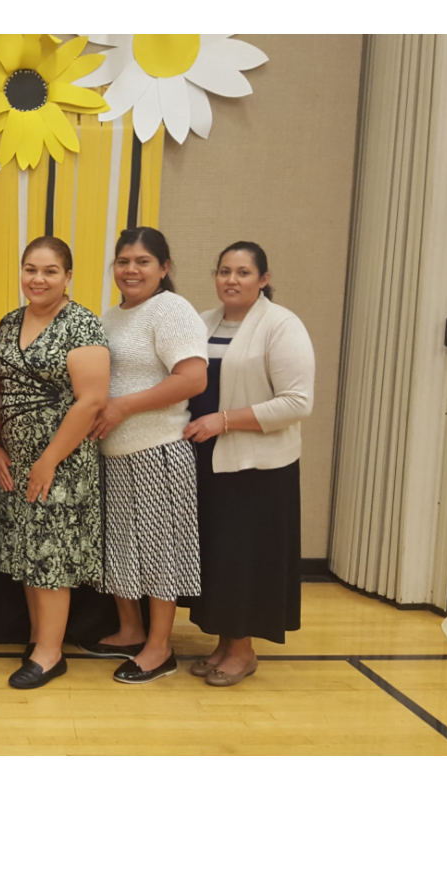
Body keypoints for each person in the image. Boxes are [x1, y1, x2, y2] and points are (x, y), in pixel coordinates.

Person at [183, 241, 316, 686]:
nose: (231, 280)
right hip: (208, 460)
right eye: (224, 271)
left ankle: (242, 651)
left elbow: (297, 403)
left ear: (264, 279)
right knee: (220, 557)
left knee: (244, 559)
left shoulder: (281, 325)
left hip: (258, 468)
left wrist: (224, 421)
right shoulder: (202, 322)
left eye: (242, 272)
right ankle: (223, 643)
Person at [84, 226, 208, 685]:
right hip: (114, 453)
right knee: (121, 547)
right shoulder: (109, 317)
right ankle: (130, 629)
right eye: (123, 261)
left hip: (157, 451)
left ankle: (160, 648)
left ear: (164, 268)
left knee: (160, 552)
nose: (131, 270)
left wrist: (123, 406)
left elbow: (193, 379)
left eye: (142, 262)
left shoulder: (172, 310)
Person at [0, 237, 109, 689]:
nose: (37, 279)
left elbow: (91, 400)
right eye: (30, 269)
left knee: (50, 555)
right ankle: (42, 636)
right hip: (15, 458)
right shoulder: (9, 322)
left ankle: (50, 654)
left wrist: (47, 461)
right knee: (26, 549)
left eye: (50, 271)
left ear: (68, 276)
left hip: (62, 460)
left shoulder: (81, 325)